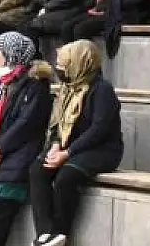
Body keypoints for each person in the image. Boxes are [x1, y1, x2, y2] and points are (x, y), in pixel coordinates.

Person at [30, 40, 123, 246]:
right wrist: (55, 144)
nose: (61, 70)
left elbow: (99, 130)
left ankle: (60, 231)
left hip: (102, 149)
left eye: (65, 65)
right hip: (69, 147)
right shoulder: (67, 88)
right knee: (38, 169)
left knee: (66, 176)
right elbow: (57, 124)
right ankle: (45, 232)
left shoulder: (102, 90)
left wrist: (67, 152)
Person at [0, 32, 53, 246]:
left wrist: (0, 148)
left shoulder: (35, 85)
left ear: (10, 54)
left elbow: (26, 124)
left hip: (15, 160)